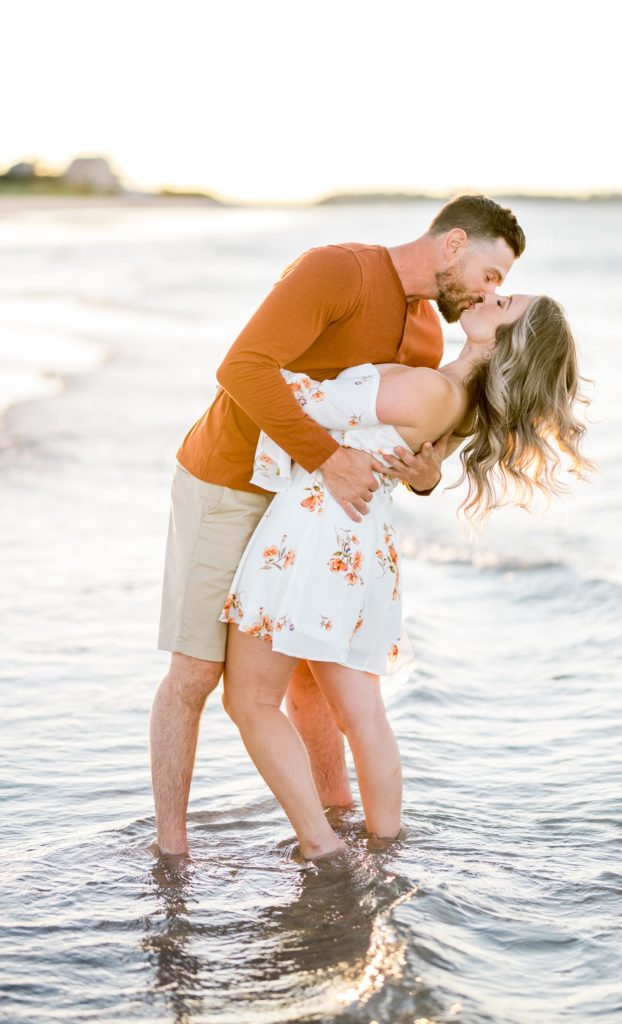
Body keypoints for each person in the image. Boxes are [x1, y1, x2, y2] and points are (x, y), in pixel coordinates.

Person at [151, 195, 527, 856]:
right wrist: (327, 458)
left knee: (306, 674)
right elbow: (241, 370)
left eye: (497, 288)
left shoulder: (426, 334)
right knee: (196, 672)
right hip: (231, 480)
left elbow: (403, 441)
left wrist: (424, 475)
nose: (487, 292)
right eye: (489, 275)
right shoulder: (337, 271)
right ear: (452, 245)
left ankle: (334, 818)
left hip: (306, 510)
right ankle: (172, 851)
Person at [219, 291, 593, 861]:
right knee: (362, 711)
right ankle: (385, 845)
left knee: (250, 700)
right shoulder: (460, 401)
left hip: (317, 536)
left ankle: (321, 847)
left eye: (505, 301)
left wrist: (273, 352)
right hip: (361, 545)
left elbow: (299, 398)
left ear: (505, 340)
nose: (490, 294)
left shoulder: (431, 389)